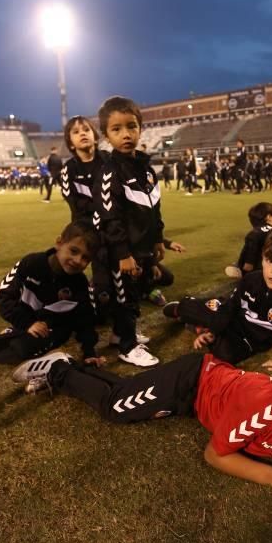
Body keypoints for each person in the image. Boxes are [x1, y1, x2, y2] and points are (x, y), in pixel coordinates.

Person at [12, 338, 272, 516]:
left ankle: (74, 368)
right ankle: (59, 369)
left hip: (203, 398)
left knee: (129, 395)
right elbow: (215, 454)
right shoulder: (265, 408)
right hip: (194, 380)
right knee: (117, 407)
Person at [163, 229, 272, 380]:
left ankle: (197, 326)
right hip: (232, 318)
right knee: (190, 309)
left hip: (248, 339)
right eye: (269, 260)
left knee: (223, 355)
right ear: (262, 259)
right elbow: (231, 306)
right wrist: (213, 331)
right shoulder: (251, 279)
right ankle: (185, 312)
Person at [93, 96, 164, 367]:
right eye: (117, 129)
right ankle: (127, 346)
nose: (126, 134)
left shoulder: (146, 169)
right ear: (106, 135)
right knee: (122, 296)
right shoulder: (110, 172)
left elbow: (155, 206)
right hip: (120, 250)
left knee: (135, 293)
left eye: (131, 127)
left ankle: (123, 334)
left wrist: (158, 239)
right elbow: (110, 217)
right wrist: (122, 252)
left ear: (140, 128)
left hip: (143, 247)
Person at [0, 223, 102, 371]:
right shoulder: (31, 263)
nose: (77, 260)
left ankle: (48, 360)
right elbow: (4, 296)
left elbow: (86, 318)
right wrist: (28, 323)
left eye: (85, 258)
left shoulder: (80, 283)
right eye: (73, 251)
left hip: (55, 328)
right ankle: (18, 331)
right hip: (29, 321)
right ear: (59, 243)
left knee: (22, 348)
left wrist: (89, 352)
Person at [60, 115, 104, 226]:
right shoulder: (68, 169)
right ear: (71, 144)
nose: (82, 133)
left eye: (86, 130)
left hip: (112, 227)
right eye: (76, 132)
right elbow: (74, 204)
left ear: (95, 138)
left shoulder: (109, 161)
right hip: (84, 227)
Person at [224, 201, 272, 278]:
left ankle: (238, 267)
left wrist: (248, 263)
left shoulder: (255, 233)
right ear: (268, 217)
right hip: (269, 268)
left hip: (257, 270)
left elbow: (251, 247)